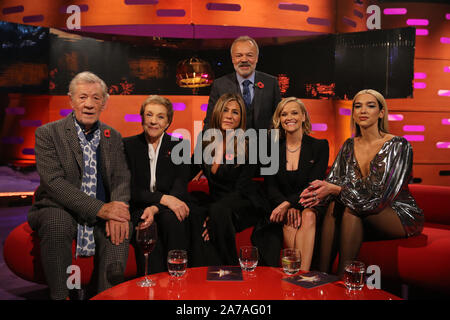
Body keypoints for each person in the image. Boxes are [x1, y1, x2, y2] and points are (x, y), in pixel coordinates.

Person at [28, 71, 131, 300]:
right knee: (57, 222)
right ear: (71, 100)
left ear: (104, 102)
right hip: (57, 207)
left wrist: (117, 209)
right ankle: (60, 295)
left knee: (122, 226)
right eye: (83, 97)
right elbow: (54, 183)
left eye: (96, 98)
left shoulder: (112, 136)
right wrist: (100, 209)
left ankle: (108, 296)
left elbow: (121, 178)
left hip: (102, 212)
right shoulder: (47, 133)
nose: (89, 104)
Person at [300, 89, 424, 275]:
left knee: (351, 209)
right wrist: (315, 195)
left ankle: (343, 281)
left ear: (381, 112)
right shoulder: (348, 146)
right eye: (358, 106)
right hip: (363, 209)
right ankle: (321, 276)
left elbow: (380, 195)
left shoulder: (399, 145)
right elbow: (333, 182)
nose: (363, 110)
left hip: (396, 212)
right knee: (336, 204)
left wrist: (336, 189)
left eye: (370, 105)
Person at [191, 93, 272, 266]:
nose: (229, 115)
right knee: (196, 209)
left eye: (235, 112)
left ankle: (230, 268)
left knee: (218, 212)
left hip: (244, 201)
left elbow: (242, 187)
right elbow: (190, 167)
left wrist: (212, 215)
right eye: (225, 110)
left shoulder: (250, 143)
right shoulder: (205, 140)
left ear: (241, 118)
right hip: (218, 202)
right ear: (217, 112)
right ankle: (198, 272)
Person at [123, 95, 191, 274]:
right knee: (146, 224)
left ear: (168, 122)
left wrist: (156, 207)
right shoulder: (127, 146)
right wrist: (162, 198)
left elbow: (180, 186)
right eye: (149, 115)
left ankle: (179, 278)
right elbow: (130, 189)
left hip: (168, 208)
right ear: (142, 118)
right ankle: (150, 284)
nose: (153, 121)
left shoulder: (180, 146)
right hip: (139, 207)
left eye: (160, 117)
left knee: (172, 219)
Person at [265, 97, 329, 271]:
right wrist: (286, 206)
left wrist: (288, 204)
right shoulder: (270, 149)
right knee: (290, 218)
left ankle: (300, 274)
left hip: (310, 203)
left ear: (303, 117)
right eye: (284, 114)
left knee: (307, 215)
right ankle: (298, 278)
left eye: (294, 113)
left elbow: (312, 185)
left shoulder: (320, 146)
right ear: (279, 119)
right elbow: (270, 186)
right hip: (282, 206)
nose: (289, 117)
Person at [204, 35, 281, 131]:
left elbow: (279, 120)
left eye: (249, 55)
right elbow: (210, 121)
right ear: (232, 59)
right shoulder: (219, 85)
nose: (244, 60)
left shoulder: (271, 83)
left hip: (265, 144)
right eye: (239, 55)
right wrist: (206, 144)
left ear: (256, 58)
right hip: (230, 144)